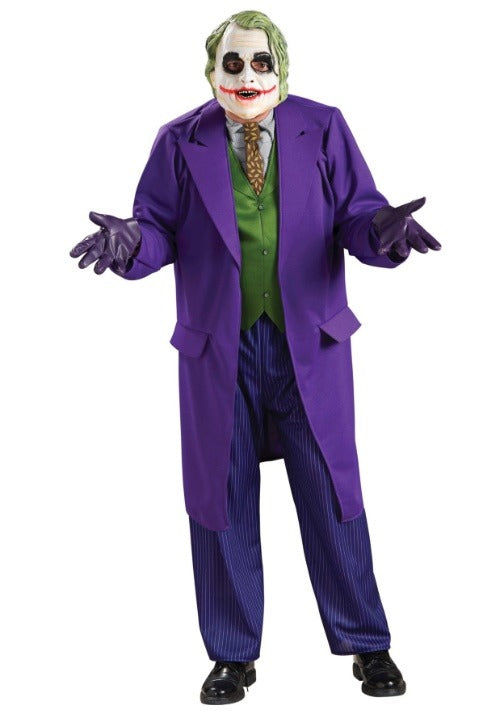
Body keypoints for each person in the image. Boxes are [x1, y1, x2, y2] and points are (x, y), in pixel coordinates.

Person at [70, 9, 441, 704]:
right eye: (232, 63)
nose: (247, 76)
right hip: (219, 348)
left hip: (311, 345)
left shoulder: (322, 127)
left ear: (282, 68)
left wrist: (383, 232)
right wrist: (131, 244)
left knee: (332, 493)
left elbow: (358, 213)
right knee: (222, 496)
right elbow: (157, 228)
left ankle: (368, 643)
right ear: (211, 71)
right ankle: (232, 654)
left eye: (260, 62)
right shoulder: (179, 140)